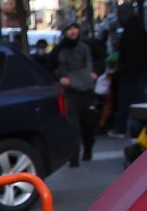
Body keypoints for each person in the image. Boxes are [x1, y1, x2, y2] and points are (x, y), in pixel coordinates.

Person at [54, 20, 100, 165]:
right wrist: (60, 78)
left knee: (88, 123)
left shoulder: (87, 46)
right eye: (70, 29)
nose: (73, 32)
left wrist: (95, 73)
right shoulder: (59, 50)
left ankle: (87, 150)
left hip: (86, 90)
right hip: (70, 91)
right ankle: (74, 157)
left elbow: (100, 59)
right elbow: (50, 67)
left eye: (75, 28)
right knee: (73, 126)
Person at [114, 2, 147, 134]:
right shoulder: (139, 28)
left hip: (131, 74)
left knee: (129, 101)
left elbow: (129, 56)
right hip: (139, 71)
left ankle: (125, 129)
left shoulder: (129, 32)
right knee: (139, 101)